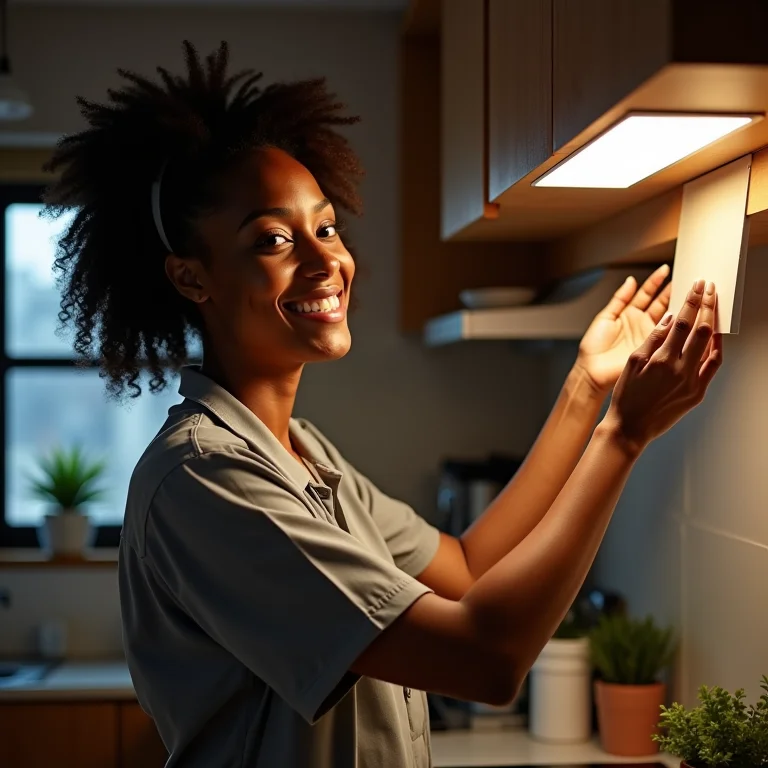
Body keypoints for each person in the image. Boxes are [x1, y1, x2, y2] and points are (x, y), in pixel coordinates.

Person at [42, 41, 722, 768]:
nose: (324, 260)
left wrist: (586, 390)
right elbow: (484, 660)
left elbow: (467, 568)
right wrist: (623, 436)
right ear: (191, 277)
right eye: (273, 239)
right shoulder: (205, 481)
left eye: (326, 227)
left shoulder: (302, 454)